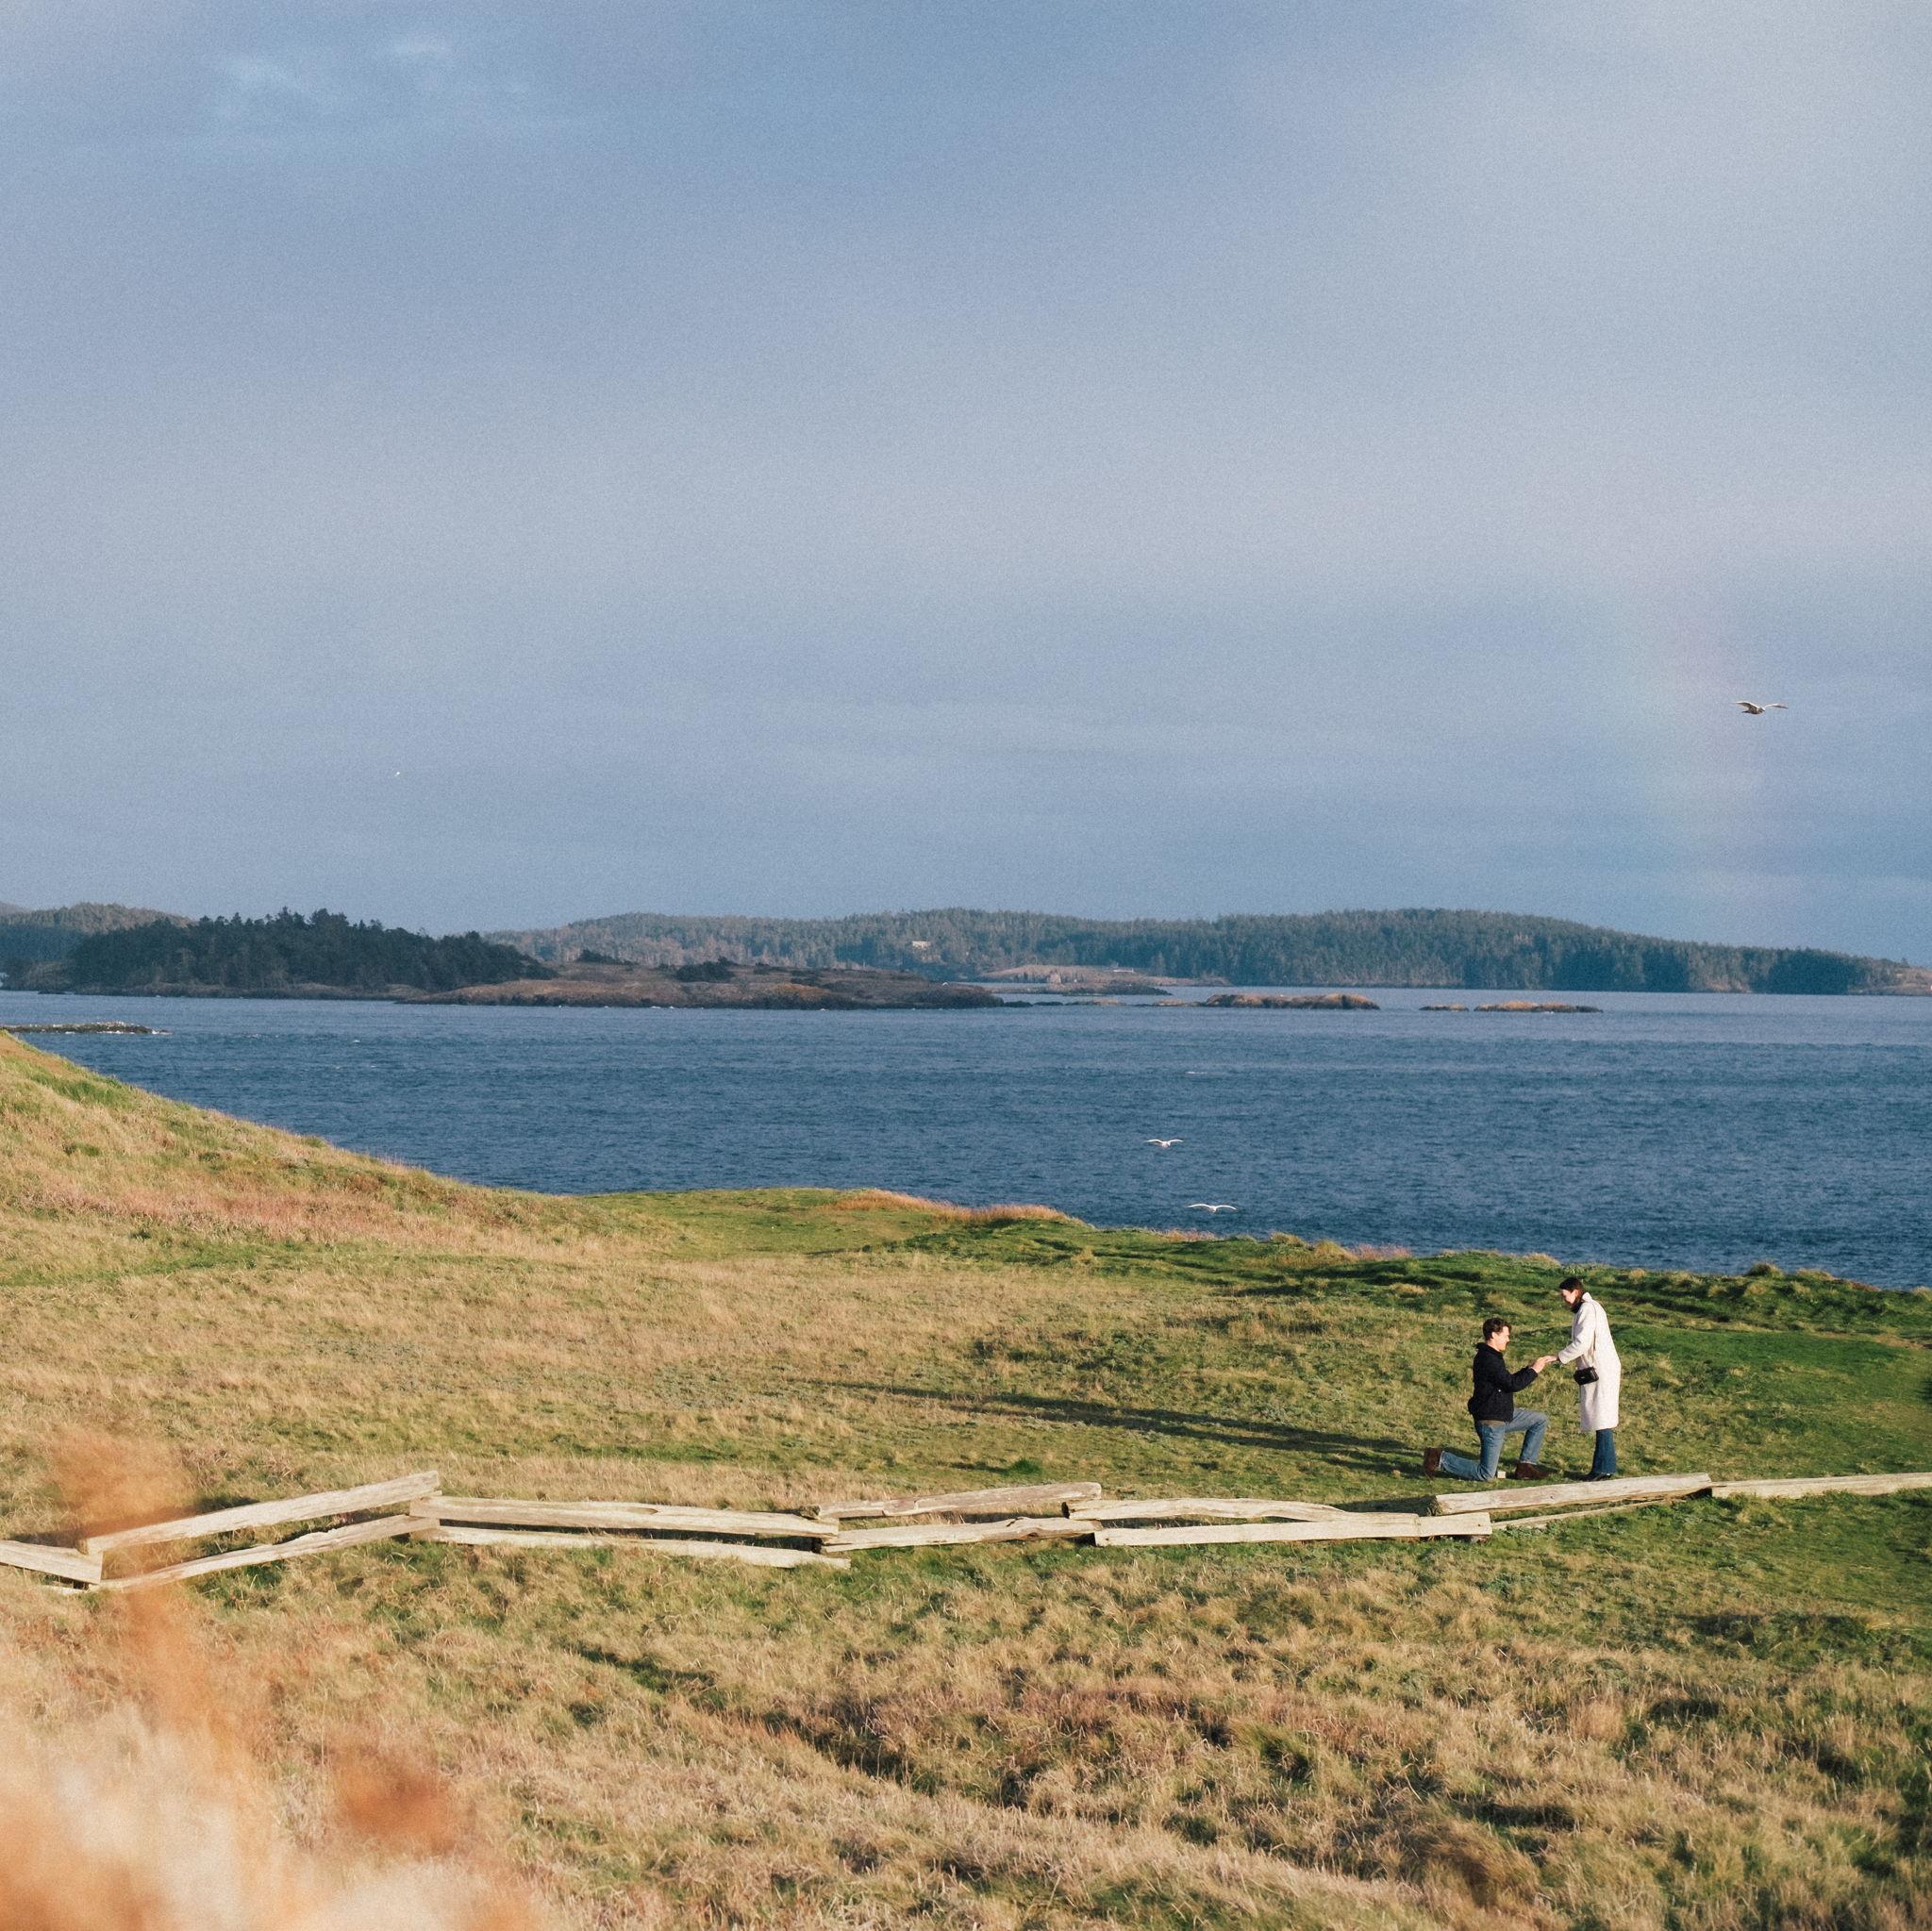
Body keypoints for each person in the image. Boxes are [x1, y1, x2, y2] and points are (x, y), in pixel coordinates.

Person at [1424, 1317, 1558, 1482]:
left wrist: (1528, 1369)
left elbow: (1506, 1381)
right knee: (1485, 1473)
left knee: (1539, 1420)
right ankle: (1439, 1458)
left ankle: (1526, 1468)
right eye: (1506, 1335)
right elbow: (1512, 1384)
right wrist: (1534, 1371)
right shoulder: (1488, 1359)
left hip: (1502, 1414)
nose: (1508, 1340)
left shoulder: (1492, 1357)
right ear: (1494, 1335)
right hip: (1491, 1422)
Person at [1556, 1276, 1622, 1478]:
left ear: (1575, 1292)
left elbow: (1582, 1343)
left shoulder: (1587, 1309)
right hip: (1601, 1369)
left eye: (1565, 1295)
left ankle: (1602, 1469)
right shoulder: (1590, 1308)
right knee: (1602, 1421)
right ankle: (1606, 1467)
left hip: (1601, 1370)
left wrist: (1559, 1357)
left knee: (1601, 1421)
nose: (1564, 1300)